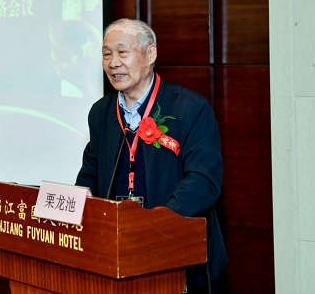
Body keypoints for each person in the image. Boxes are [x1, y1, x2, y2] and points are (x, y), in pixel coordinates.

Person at [76, 18, 227, 293]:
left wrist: (154, 228)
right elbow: (90, 174)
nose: (113, 63)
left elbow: (203, 181)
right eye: (107, 54)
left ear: (150, 54)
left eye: (122, 52)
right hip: (116, 258)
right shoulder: (100, 112)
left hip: (179, 259)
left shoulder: (190, 108)